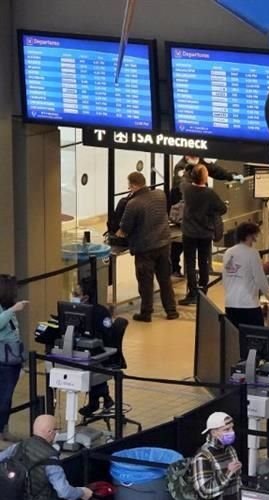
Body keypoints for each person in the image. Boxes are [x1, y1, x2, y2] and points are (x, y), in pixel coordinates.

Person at [117, 171, 179, 322]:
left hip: (145, 248)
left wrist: (118, 234)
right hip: (163, 244)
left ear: (132, 185)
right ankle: (171, 311)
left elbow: (124, 229)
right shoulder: (160, 194)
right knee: (165, 279)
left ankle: (146, 313)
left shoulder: (133, 204)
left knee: (145, 281)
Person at [178, 164, 227, 306]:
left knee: (190, 263)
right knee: (204, 262)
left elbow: (182, 179)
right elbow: (222, 209)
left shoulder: (186, 189)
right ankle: (203, 290)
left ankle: (192, 293)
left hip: (189, 232)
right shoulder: (209, 193)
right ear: (205, 177)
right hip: (205, 232)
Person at [71, 279, 119, 418]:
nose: (73, 296)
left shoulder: (100, 312)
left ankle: (96, 402)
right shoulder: (77, 311)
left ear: (85, 297)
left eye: (76, 294)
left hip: (103, 351)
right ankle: (105, 399)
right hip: (87, 349)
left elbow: (107, 334)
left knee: (92, 364)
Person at [192, 412, 242, 500]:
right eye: (226, 429)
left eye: (232, 428)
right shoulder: (203, 457)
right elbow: (204, 491)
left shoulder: (230, 449)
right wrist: (228, 473)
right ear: (214, 432)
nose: (231, 432)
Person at [222, 222, 269, 328]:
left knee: (235, 335)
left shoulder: (228, 252)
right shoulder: (252, 253)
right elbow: (260, 278)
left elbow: (225, 278)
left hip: (230, 303)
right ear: (250, 235)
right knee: (255, 336)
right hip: (249, 304)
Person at [0, 276, 26, 441]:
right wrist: (13, 310)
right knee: (4, 397)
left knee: (7, 397)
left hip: (14, 357)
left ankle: (4, 429)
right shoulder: (7, 309)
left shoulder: (7, 306)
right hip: (3, 358)